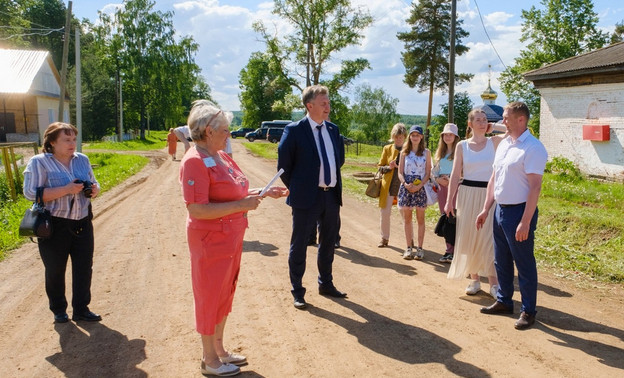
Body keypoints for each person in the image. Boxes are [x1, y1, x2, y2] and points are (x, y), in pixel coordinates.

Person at [179, 100, 287, 376]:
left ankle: (220, 350)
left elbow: (234, 193)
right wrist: (241, 206)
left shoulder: (221, 156)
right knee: (209, 295)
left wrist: (262, 192)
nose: (230, 134)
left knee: (224, 294)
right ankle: (209, 359)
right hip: (210, 240)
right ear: (207, 131)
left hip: (230, 237)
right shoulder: (194, 161)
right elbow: (197, 208)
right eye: (225, 130)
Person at [477, 101, 548, 330]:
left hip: (519, 211)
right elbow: (494, 179)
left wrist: (525, 221)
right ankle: (504, 301)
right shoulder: (505, 144)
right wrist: (486, 208)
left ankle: (528, 310)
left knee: (524, 262)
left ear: (521, 119)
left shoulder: (533, 148)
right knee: (501, 259)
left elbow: (535, 187)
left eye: (506, 117)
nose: (502, 121)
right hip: (500, 209)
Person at [23, 122, 102, 324]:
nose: (72, 143)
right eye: (66, 140)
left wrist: (94, 189)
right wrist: (67, 189)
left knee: (84, 267)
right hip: (54, 225)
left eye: (74, 139)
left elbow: (94, 182)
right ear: (52, 142)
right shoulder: (39, 162)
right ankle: (59, 309)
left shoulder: (82, 160)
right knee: (55, 269)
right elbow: (31, 193)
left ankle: (82, 309)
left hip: (82, 221)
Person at [277, 84, 346, 310]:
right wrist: (300, 188)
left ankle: (325, 283)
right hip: (307, 198)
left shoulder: (334, 130)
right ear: (310, 106)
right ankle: (298, 290)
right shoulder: (294, 130)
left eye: (328, 103)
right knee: (300, 244)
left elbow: (339, 160)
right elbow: (284, 166)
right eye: (323, 103)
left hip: (331, 196)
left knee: (328, 243)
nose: (328, 107)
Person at [445, 109, 506, 297]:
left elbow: (516, 130)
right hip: (467, 194)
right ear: (470, 124)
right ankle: (475, 280)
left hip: (489, 196)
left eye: (485, 120)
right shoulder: (462, 146)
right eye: (478, 120)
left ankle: (494, 284)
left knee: (490, 239)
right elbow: (455, 175)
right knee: (470, 237)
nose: (482, 122)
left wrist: (493, 127)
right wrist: (449, 201)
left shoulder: (494, 142)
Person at [397, 125, 431, 261]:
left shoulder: (426, 152)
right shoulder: (404, 152)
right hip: (406, 186)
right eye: (413, 135)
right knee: (407, 218)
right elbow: (400, 172)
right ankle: (408, 247)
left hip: (420, 187)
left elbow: (428, 172)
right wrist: (405, 184)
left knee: (420, 219)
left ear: (421, 137)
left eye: (417, 135)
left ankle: (420, 248)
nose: (415, 137)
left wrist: (420, 186)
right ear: (410, 137)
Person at [376, 123, 407, 248]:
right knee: (385, 212)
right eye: (396, 137)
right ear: (393, 137)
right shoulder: (387, 149)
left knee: (405, 214)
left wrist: (400, 167)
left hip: (404, 186)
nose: (399, 139)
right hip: (388, 186)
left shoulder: (409, 149)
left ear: (405, 137)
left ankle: (409, 241)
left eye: (401, 137)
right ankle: (384, 238)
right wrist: (390, 167)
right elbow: (379, 167)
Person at [433, 123, 460, 262]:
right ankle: (449, 250)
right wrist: (438, 179)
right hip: (442, 188)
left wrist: (452, 179)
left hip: (456, 187)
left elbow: (464, 171)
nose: (448, 137)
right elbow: (434, 172)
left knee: (456, 218)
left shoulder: (460, 152)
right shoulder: (440, 153)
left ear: (455, 137)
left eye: (450, 134)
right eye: (445, 134)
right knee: (445, 218)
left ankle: (457, 251)